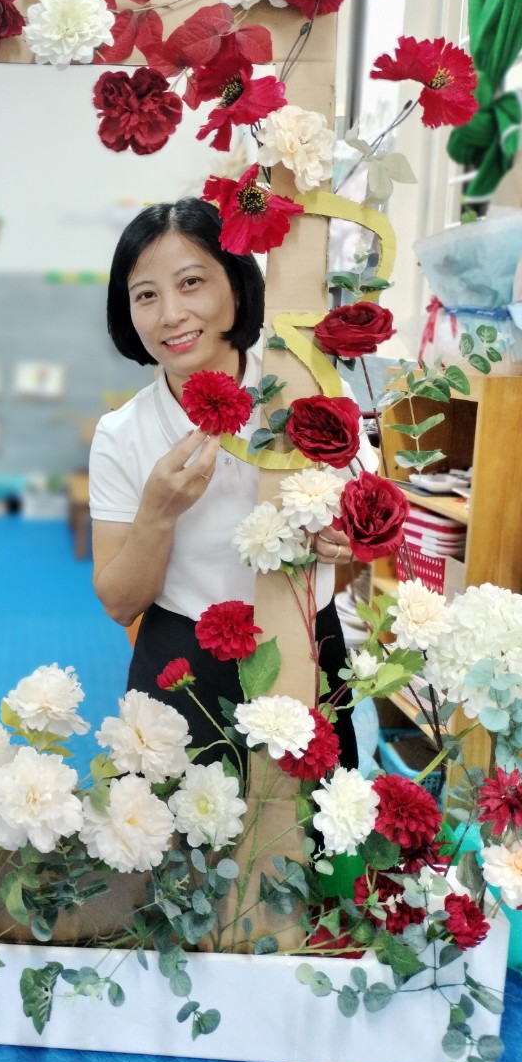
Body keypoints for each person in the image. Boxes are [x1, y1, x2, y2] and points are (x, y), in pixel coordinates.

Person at [88, 197, 371, 767]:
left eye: (191, 283)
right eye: (146, 295)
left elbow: (364, 531)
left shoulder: (308, 391)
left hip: (307, 638)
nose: (170, 314)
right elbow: (120, 603)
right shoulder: (122, 434)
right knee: (174, 817)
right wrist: (158, 512)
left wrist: (344, 541)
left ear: (237, 286)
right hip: (184, 658)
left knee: (317, 813)